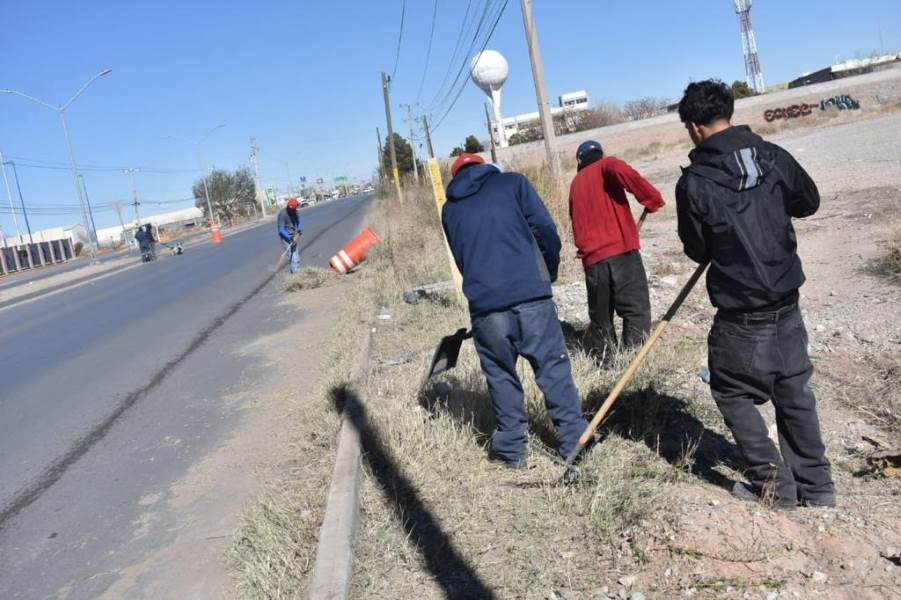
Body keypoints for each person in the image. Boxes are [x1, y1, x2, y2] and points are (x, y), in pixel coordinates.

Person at [675, 79, 835, 510]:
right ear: (728, 113)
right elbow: (809, 202)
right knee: (793, 390)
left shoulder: (694, 182)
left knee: (730, 390)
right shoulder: (773, 156)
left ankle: (775, 486)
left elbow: (697, 250)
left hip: (742, 315)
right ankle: (817, 488)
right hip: (787, 303)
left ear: (693, 127)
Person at [442, 152, 590, 469]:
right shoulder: (513, 183)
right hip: (530, 295)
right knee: (553, 368)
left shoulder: (450, 208)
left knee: (499, 375)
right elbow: (546, 230)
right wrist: (547, 272)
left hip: (485, 307)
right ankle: (573, 441)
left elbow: (461, 258)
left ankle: (511, 449)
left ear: (455, 177)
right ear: (485, 167)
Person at [569, 140, 666, 360]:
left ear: (580, 160)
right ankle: (633, 362)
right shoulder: (606, 165)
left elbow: (575, 221)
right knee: (635, 310)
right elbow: (620, 169)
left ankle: (606, 361)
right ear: (599, 154)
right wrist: (651, 197)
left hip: (593, 261)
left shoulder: (575, 183)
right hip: (621, 253)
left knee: (601, 317)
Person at [277, 198, 303, 273]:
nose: (292, 211)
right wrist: (289, 238)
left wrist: (299, 229)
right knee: (293, 257)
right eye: (291, 209)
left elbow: (298, 222)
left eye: (294, 209)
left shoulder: (295, 212)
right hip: (286, 236)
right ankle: (296, 276)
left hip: (293, 235)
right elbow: (281, 229)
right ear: (288, 207)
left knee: (296, 257)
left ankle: (294, 274)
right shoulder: (283, 214)